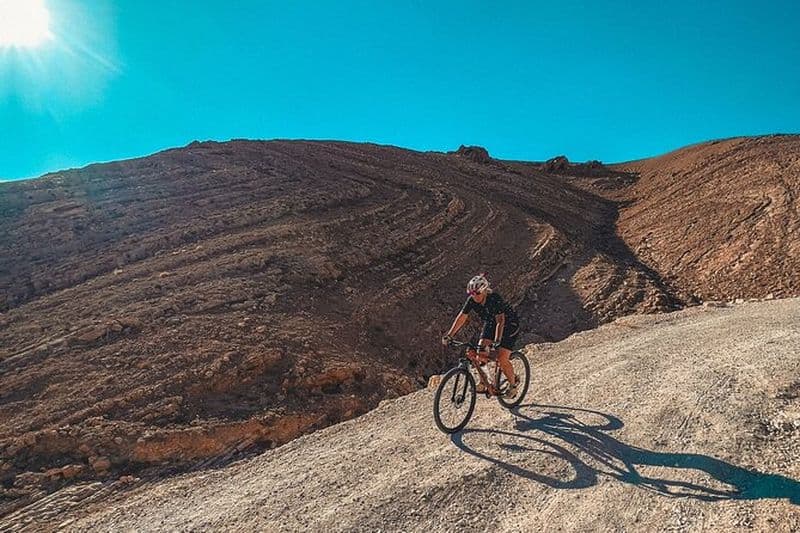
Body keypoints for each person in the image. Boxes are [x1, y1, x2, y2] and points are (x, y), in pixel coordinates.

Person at [442, 273, 520, 396]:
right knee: (480, 353)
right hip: (490, 323)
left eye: (477, 293)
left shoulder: (494, 298)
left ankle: (513, 384)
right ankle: (484, 383)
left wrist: (497, 341)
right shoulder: (471, 300)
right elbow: (462, 317)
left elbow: (500, 321)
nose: (474, 296)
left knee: (502, 358)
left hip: (508, 324)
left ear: (484, 290)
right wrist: (450, 335)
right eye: (471, 293)